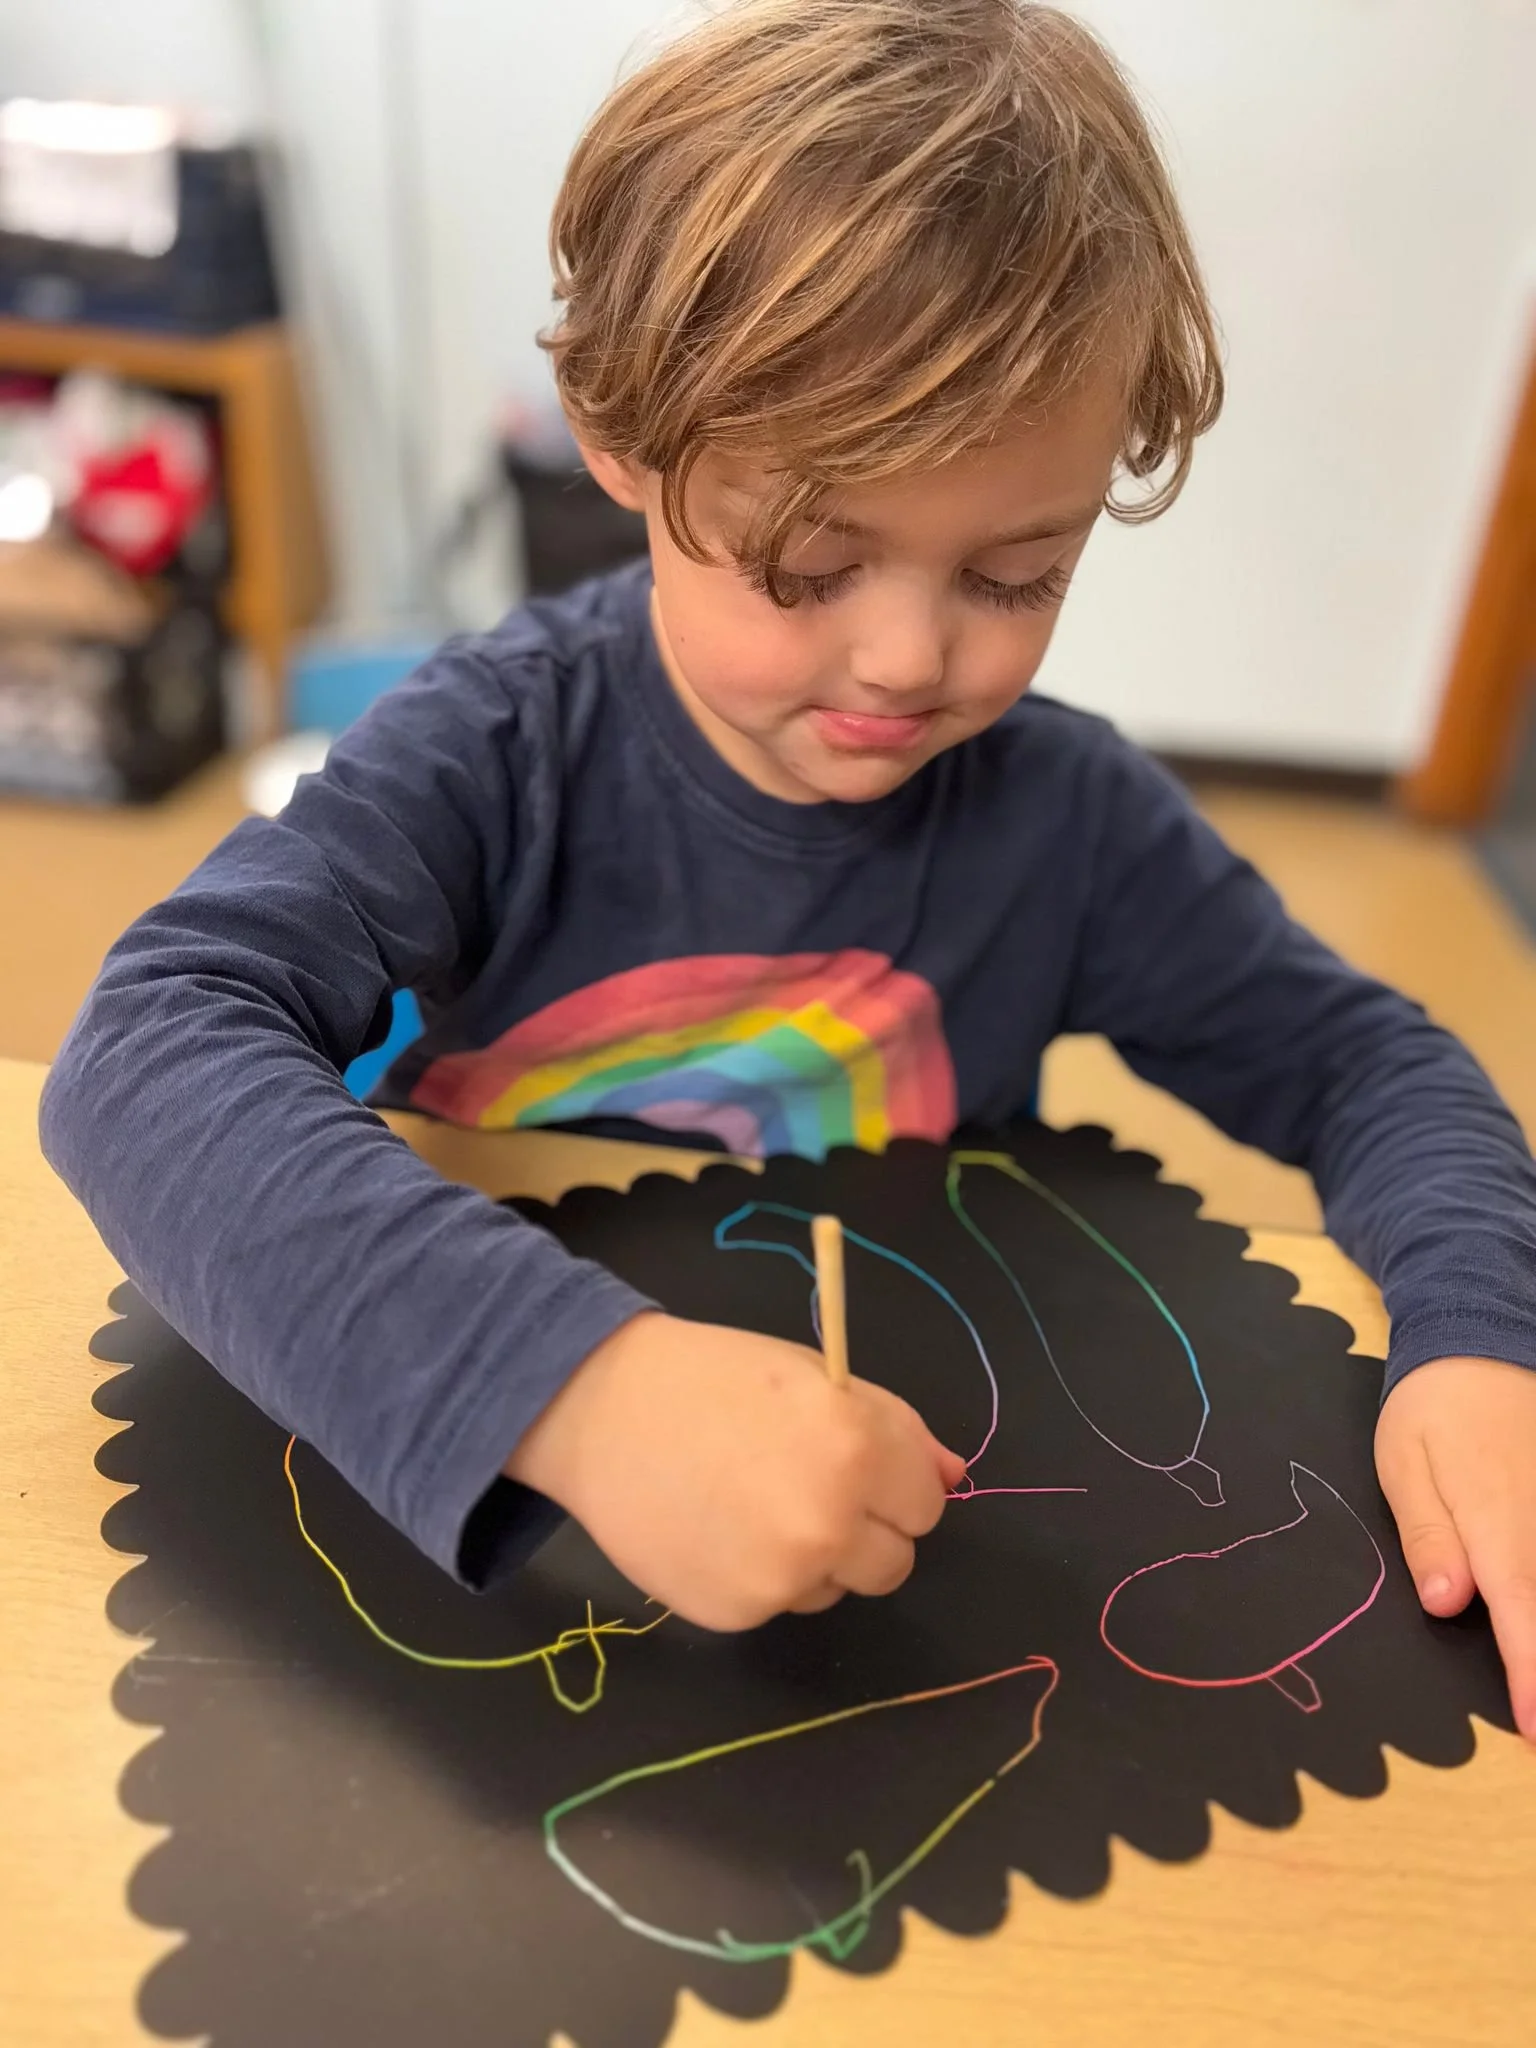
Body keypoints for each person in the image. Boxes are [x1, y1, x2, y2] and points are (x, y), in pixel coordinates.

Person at [41, 0, 1536, 1736]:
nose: (910, 661)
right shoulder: (497, 754)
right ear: (625, 443)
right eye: (811, 565)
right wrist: (581, 1393)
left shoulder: (1066, 824)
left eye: (1015, 575)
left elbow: (1373, 1066)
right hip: (492, 1581)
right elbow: (142, 1055)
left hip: (901, 1595)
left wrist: (1485, 1342)